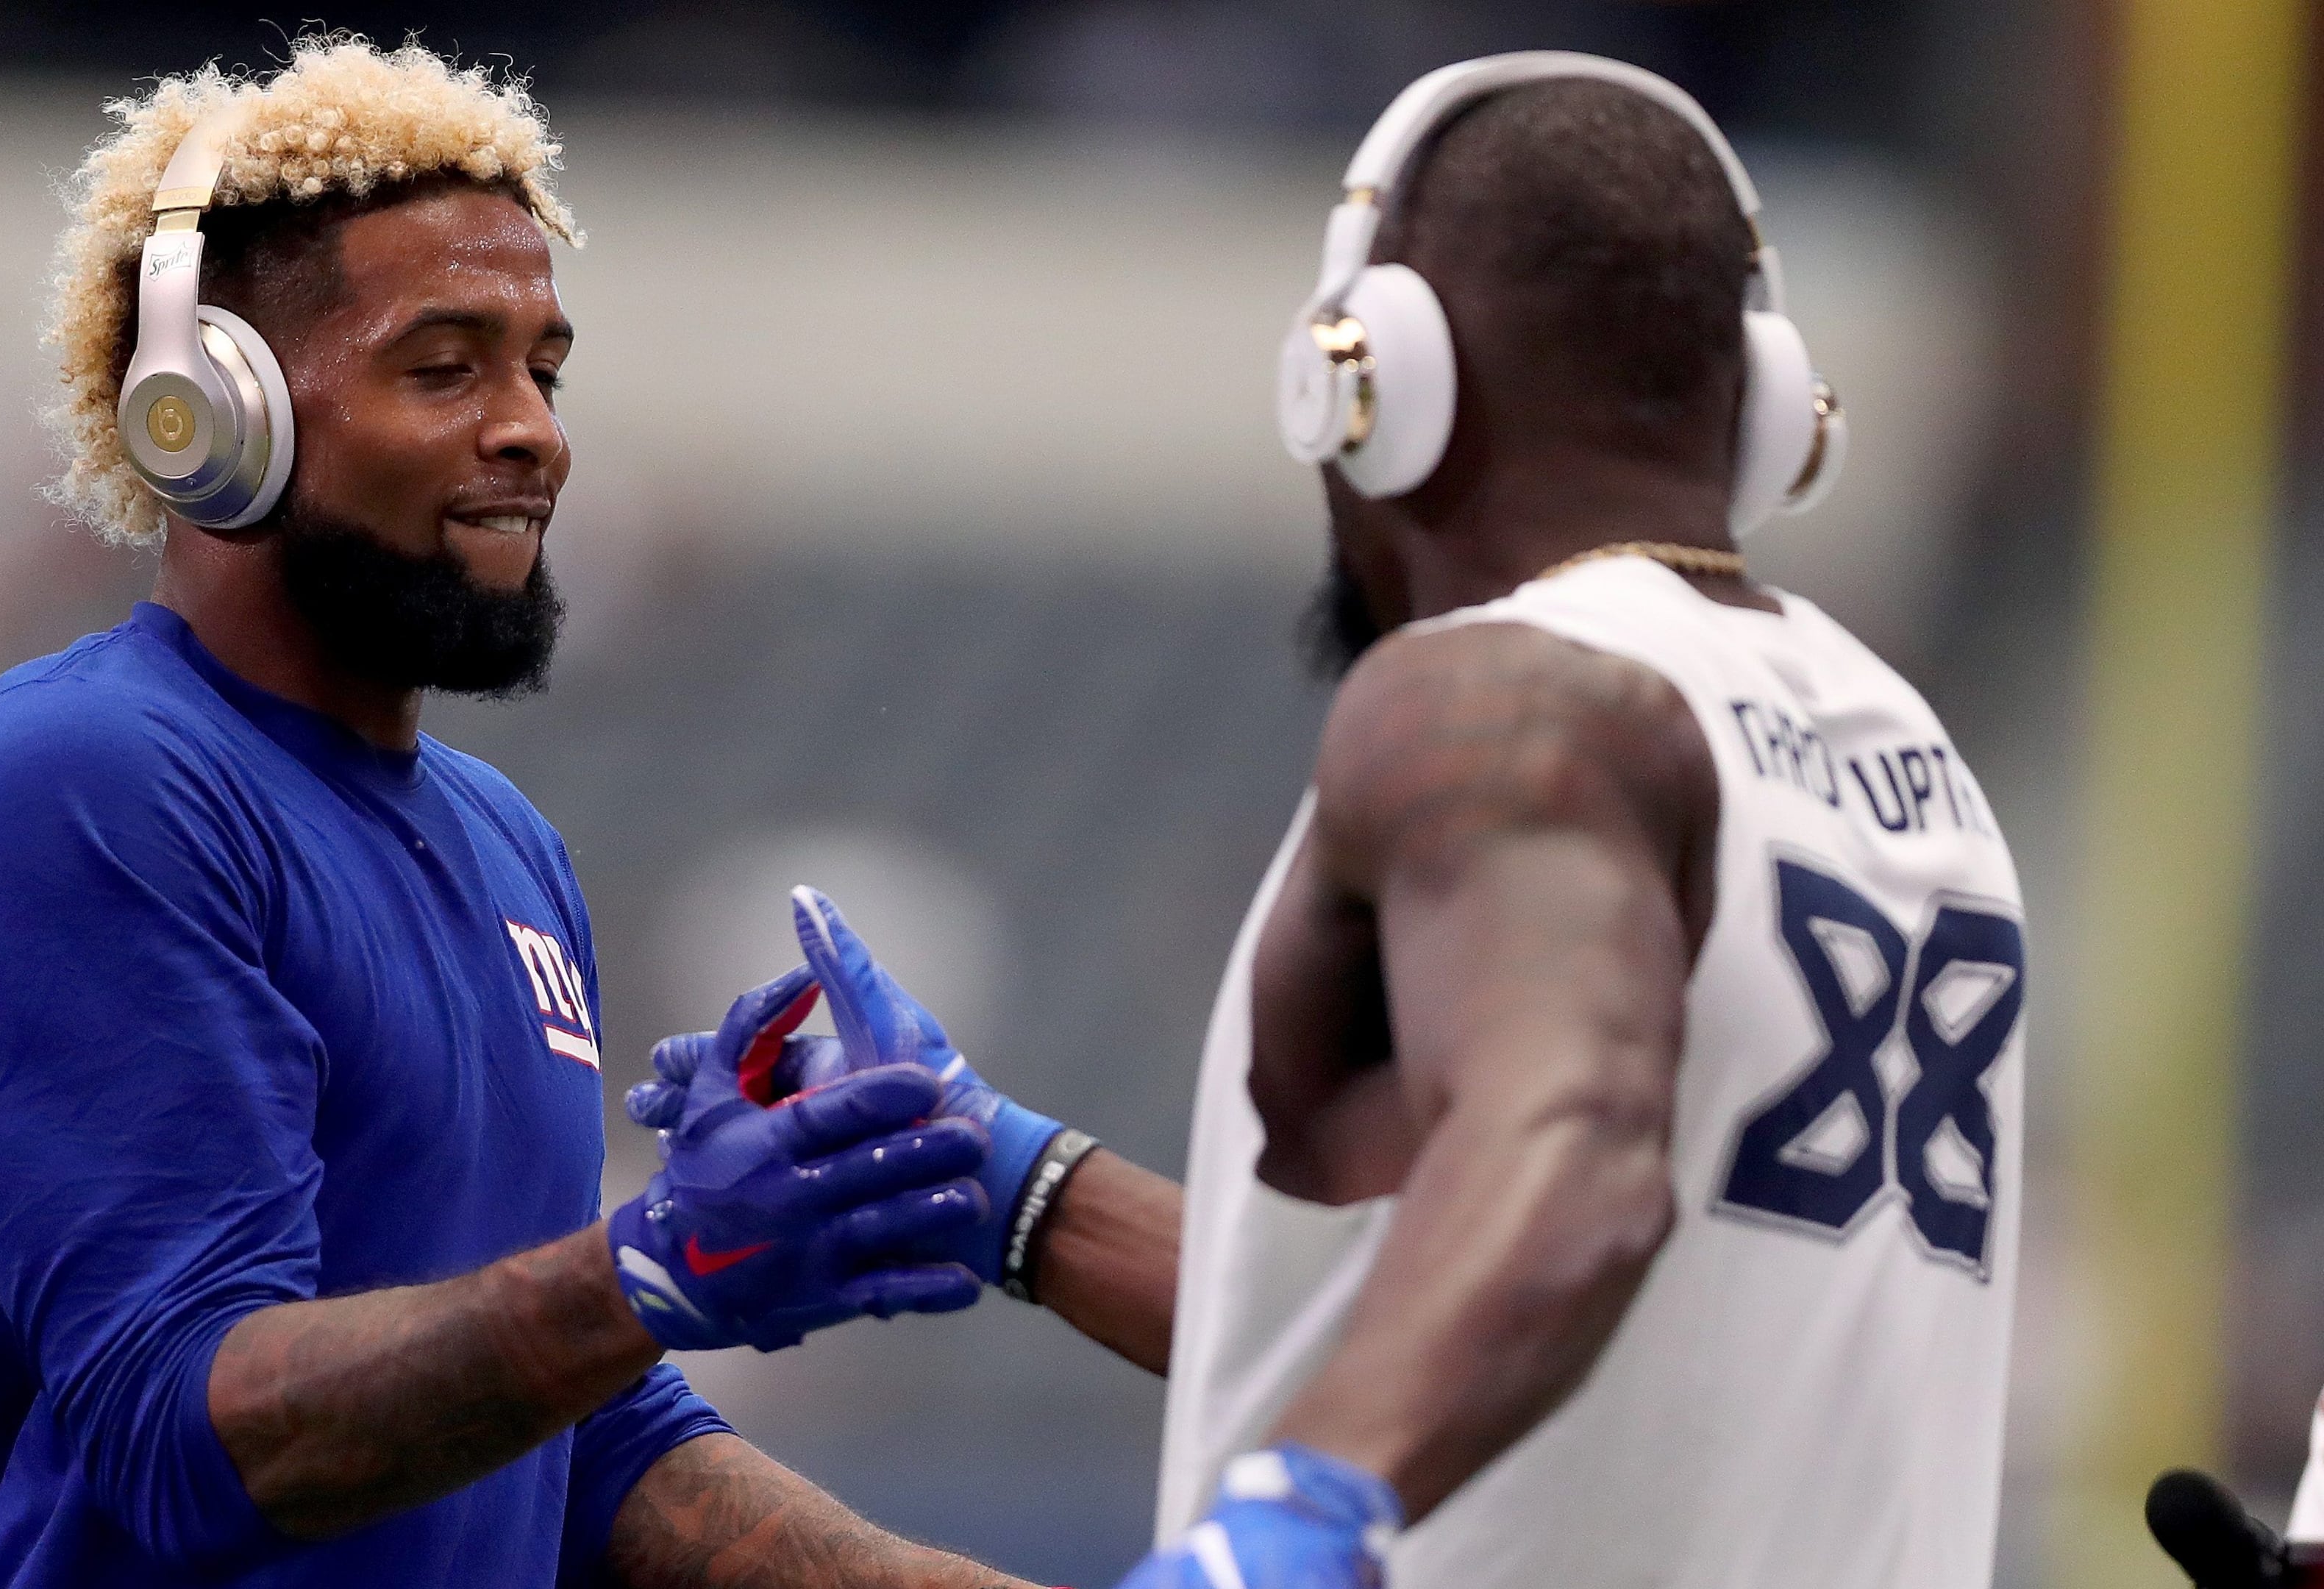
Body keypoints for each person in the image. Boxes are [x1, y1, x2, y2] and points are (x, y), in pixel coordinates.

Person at [648, 53, 2027, 1589]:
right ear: (1764, 403)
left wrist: (1303, 1503)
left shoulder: (1495, 696)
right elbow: (1518, 1320)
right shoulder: (1909, 758)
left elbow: (1570, 1163)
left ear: (1371, 379)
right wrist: (1016, 1187)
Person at [0, 38, 1061, 1589]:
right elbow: (190, 1436)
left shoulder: (508, 848)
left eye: (541, 369)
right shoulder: (89, 782)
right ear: (208, 410)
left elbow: (578, 1445)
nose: (535, 432)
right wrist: (642, 1271)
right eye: (447, 365)